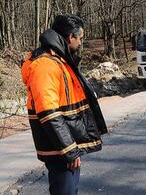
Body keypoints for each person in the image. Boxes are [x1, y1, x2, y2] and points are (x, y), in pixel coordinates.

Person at [21, 14, 108, 195]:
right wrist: (68, 149)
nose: (81, 43)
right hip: (60, 148)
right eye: (80, 38)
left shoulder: (60, 61)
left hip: (65, 145)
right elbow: (48, 112)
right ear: (70, 37)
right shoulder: (46, 65)